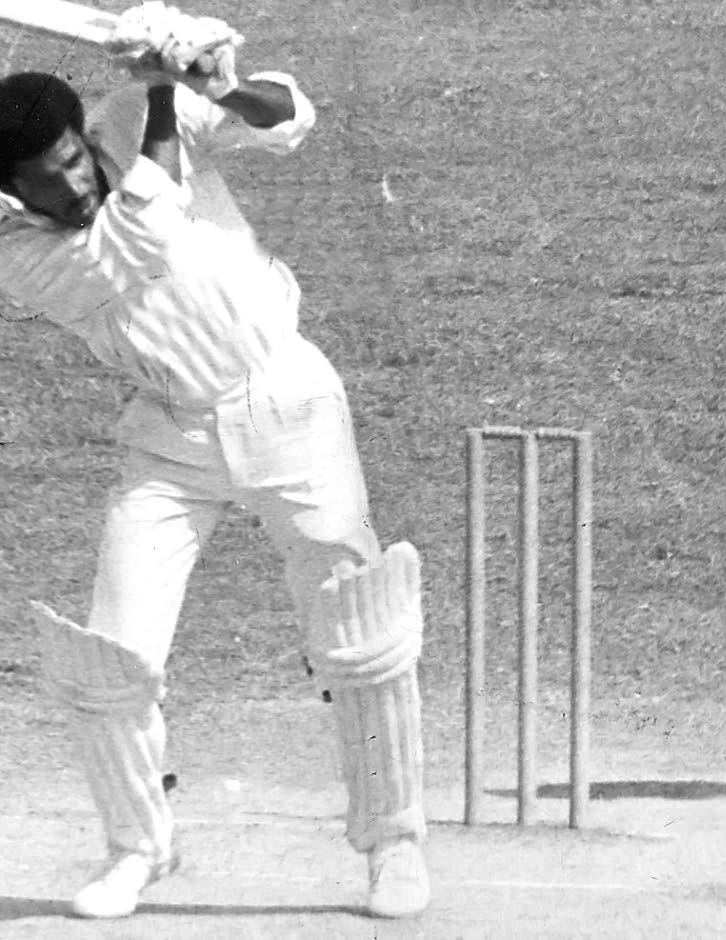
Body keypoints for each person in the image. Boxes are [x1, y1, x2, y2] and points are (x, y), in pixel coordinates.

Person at [0, 7, 428, 921]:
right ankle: (137, 851)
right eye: (45, 183)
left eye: (74, 159)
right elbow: (143, 230)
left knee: (359, 630)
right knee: (107, 658)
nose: (72, 186)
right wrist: (161, 88)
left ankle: (394, 845)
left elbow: (286, 118)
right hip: (169, 437)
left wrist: (208, 74)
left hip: (290, 403)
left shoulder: (124, 118)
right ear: (10, 192)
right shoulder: (20, 253)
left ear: (83, 132)